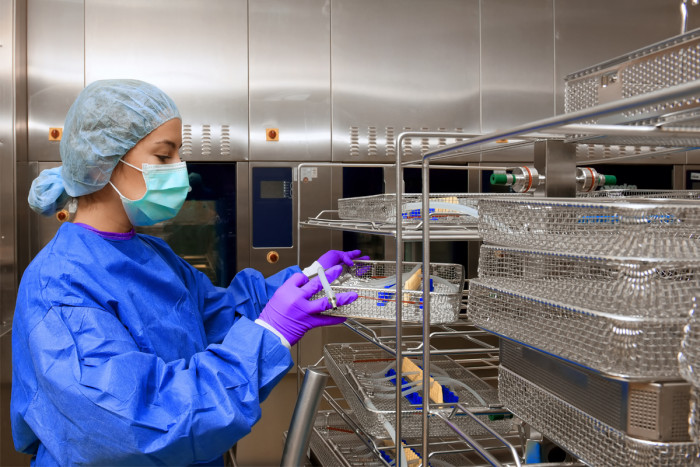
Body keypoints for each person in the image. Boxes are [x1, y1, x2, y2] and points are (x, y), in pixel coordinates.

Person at [11, 79, 365, 466]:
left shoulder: (150, 253)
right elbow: (141, 422)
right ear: (103, 163)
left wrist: (302, 283)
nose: (180, 169)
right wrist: (272, 333)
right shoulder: (59, 283)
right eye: (164, 157)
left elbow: (214, 314)